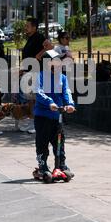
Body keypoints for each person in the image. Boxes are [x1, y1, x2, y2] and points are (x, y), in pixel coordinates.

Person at [33, 50, 76, 180]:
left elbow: (66, 92)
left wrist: (70, 104)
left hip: (57, 116)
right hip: (42, 116)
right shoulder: (40, 76)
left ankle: (61, 165)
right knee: (42, 142)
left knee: (59, 142)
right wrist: (49, 102)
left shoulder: (62, 78)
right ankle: (43, 166)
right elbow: (39, 92)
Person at [17, 17, 53, 134]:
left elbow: (50, 47)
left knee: (35, 99)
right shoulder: (31, 38)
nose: (25, 28)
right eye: (26, 26)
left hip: (37, 72)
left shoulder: (39, 37)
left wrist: (39, 55)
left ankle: (37, 124)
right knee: (30, 99)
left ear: (34, 27)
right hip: (29, 72)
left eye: (28, 26)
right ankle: (33, 122)